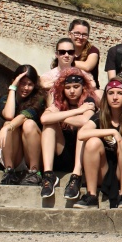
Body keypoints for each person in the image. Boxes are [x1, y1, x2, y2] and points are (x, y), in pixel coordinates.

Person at [75, 78, 122, 208]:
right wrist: (112, 131)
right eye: (111, 93)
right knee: (92, 142)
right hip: (103, 170)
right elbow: (81, 134)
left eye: (120, 93)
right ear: (106, 96)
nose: (115, 97)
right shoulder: (100, 116)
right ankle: (91, 195)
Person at [39, 68, 99, 199]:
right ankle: (48, 175)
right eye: (68, 87)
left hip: (83, 156)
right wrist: (77, 111)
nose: (72, 91)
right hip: (62, 153)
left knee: (83, 129)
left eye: (76, 87)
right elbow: (44, 119)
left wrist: (59, 116)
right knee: (49, 125)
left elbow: (85, 120)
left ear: (83, 87)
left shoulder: (88, 101)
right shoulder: (58, 102)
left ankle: (76, 176)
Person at [0, 64, 46, 185]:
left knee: (28, 124)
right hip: (14, 153)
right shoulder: (5, 100)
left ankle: (34, 172)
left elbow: (23, 116)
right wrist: (12, 88)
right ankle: (9, 171)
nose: (26, 88)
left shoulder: (39, 99)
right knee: (8, 122)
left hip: (32, 153)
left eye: (30, 84)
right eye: (22, 83)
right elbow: (9, 115)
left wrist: (7, 128)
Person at [67, 19, 101, 88]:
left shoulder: (93, 50)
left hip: (89, 88)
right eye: (77, 33)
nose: (80, 37)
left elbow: (87, 67)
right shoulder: (64, 49)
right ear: (70, 34)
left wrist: (67, 61)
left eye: (84, 35)